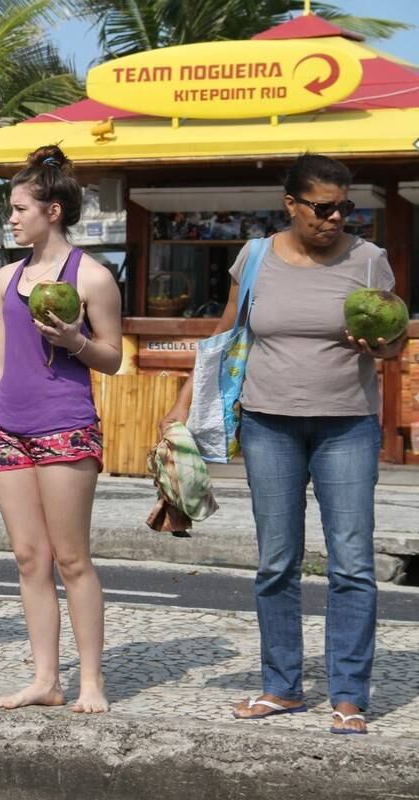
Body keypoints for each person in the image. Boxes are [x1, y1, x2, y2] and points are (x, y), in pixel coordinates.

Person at [159, 154, 405, 735]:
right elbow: (226, 331)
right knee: (277, 561)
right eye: (323, 207)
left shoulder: (370, 262)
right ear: (291, 204)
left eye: (346, 207)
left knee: (351, 562)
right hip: (269, 424)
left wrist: (379, 346)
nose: (336, 218)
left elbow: (393, 346)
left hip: (347, 424)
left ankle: (348, 693)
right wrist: (184, 401)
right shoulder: (255, 257)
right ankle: (282, 686)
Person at [0, 145, 123, 714]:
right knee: (30, 558)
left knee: (72, 557)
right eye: (11, 208)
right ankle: (45, 679)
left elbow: (113, 358)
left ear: (52, 210)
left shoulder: (93, 278)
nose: (11, 217)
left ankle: (91, 683)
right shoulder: (7, 278)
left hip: (65, 428)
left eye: (20, 208)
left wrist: (74, 340)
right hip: (9, 428)